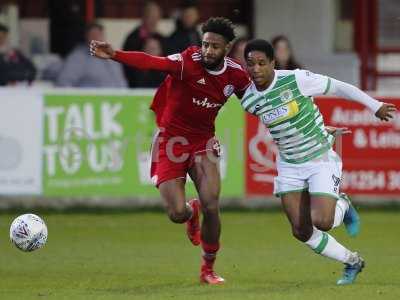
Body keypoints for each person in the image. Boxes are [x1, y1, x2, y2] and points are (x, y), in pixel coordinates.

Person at [90, 17, 251, 284]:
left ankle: (208, 269)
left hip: (203, 142)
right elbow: (152, 62)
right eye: (205, 44)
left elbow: (257, 103)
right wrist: (115, 55)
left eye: (215, 46)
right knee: (176, 213)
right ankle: (191, 212)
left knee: (212, 205)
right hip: (170, 141)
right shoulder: (188, 61)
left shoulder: (235, 75)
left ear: (227, 48)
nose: (208, 50)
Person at [241, 39, 396, 285]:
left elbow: (340, 87)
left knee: (322, 222)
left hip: (319, 158)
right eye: (250, 64)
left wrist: (374, 106)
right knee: (301, 231)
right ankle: (352, 261)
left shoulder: (296, 79)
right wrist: (321, 126)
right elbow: (284, 124)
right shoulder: (248, 100)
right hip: (289, 165)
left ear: (273, 63)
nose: (256, 69)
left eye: (261, 63)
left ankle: (343, 205)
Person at [56, 22, 127, 88]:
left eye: (99, 35)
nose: (97, 38)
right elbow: (64, 83)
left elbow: (121, 81)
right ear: (86, 37)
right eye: (93, 35)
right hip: (89, 100)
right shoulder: (77, 58)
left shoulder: (111, 56)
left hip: (117, 99)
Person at [122, 1, 164, 87]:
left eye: (156, 17)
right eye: (151, 17)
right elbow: (127, 68)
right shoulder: (133, 39)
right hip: (138, 88)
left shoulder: (161, 38)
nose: (154, 21)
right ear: (143, 17)